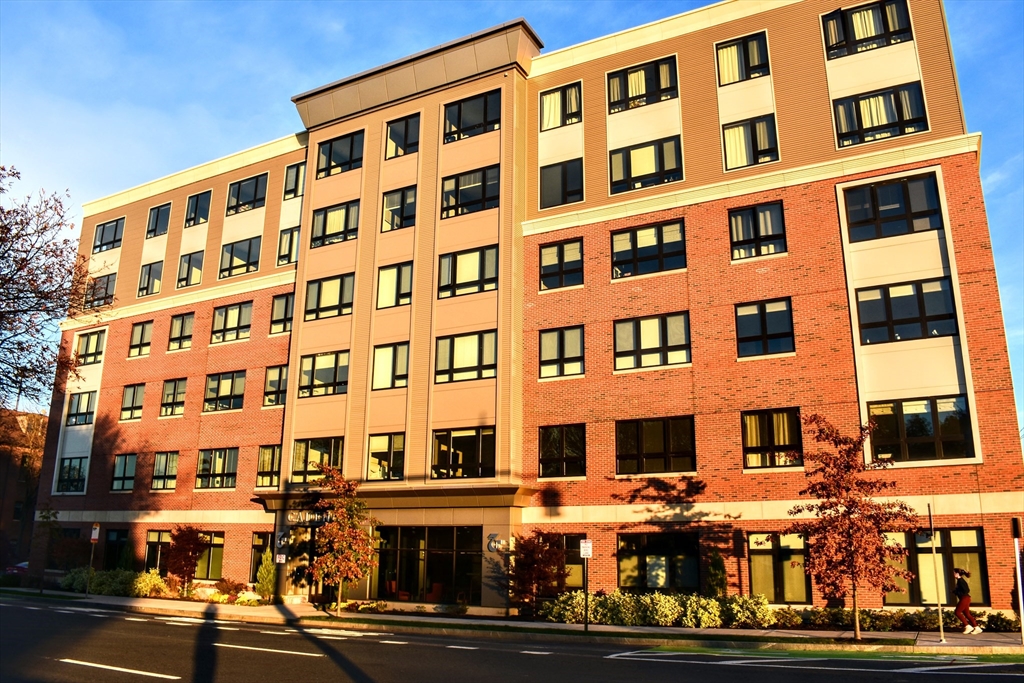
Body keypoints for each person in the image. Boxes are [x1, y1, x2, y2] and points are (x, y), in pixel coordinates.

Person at [953, 568, 983, 634]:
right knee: (967, 614)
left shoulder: (961, 581)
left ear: (957, 573)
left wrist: (956, 592)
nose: (953, 574)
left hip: (965, 598)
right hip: (965, 598)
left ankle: (967, 626)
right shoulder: (959, 580)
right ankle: (977, 628)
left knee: (957, 612)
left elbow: (966, 590)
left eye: (954, 573)